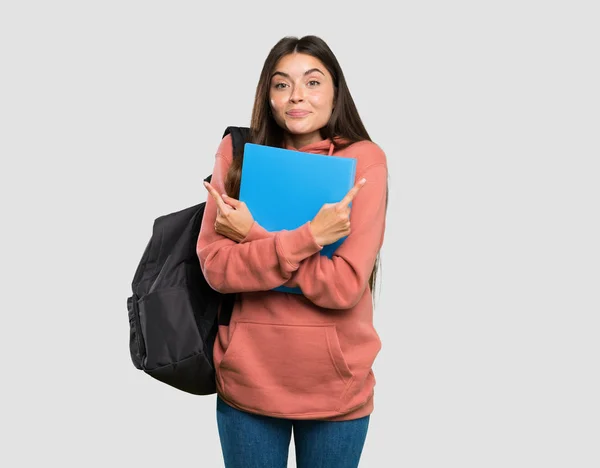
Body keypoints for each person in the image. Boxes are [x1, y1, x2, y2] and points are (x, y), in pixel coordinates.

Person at [197, 35, 388, 468]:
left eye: (313, 82)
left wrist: (253, 236)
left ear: (336, 91)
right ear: (268, 94)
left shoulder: (365, 160)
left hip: (336, 390)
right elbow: (217, 268)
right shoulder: (237, 152)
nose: (296, 95)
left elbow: (343, 287)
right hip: (248, 383)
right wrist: (310, 238)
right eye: (281, 84)